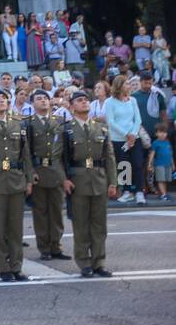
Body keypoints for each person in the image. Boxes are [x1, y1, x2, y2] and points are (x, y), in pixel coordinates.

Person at [0, 89, 33, 281]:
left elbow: (25, 153)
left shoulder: (18, 124)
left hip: (16, 179)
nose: (1, 100)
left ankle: (16, 266)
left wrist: (29, 178)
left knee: (16, 228)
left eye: (4, 98)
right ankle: (4, 268)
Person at [63, 90, 119, 276]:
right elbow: (59, 158)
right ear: (71, 106)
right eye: (79, 100)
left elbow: (109, 157)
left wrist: (113, 182)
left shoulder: (100, 128)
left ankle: (99, 262)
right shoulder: (66, 129)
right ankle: (84, 263)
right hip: (77, 180)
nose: (84, 102)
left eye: (86, 100)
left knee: (99, 225)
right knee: (81, 225)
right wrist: (64, 179)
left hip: (99, 179)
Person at [26, 90, 70, 260]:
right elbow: (26, 151)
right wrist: (31, 173)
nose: (43, 101)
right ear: (33, 104)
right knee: (41, 213)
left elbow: (66, 150)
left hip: (57, 170)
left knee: (57, 212)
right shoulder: (28, 124)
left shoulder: (60, 121)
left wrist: (66, 175)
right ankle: (44, 248)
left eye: (45, 98)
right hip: (39, 170)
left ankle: (56, 246)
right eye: (38, 99)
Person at [105, 74, 144, 204]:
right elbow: (110, 122)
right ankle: (127, 191)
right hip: (118, 139)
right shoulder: (109, 102)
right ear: (119, 86)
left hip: (134, 138)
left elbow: (138, 119)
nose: (129, 86)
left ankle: (139, 192)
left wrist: (133, 134)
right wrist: (127, 134)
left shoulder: (132, 100)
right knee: (123, 165)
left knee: (138, 164)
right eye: (126, 83)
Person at [149, 124, 171, 202]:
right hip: (159, 165)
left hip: (168, 164)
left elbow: (170, 154)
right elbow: (152, 154)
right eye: (160, 132)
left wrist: (173, 164)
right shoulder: (155, 143)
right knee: (160, 180)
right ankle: (163, 194)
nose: (163, 134)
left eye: (164, 132)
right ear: (156, 133)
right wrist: (149, 164)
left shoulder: (167, 142)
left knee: (165, 180)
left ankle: (163, 193)